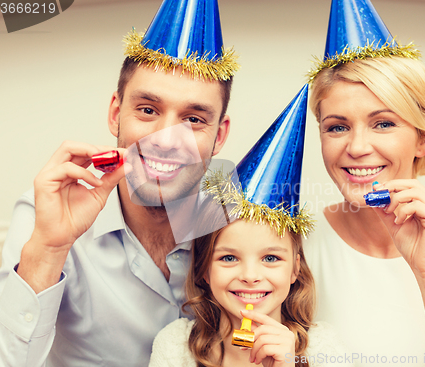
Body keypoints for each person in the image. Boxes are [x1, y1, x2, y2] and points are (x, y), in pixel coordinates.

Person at [0, 0, 239, 366]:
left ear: (218, 136)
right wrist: (48, 250)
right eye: (147, 110)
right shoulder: (48, 214)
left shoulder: (239, 224)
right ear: (115, 114)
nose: (167, 138)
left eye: (192, 119)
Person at [305, 0, 425, 366]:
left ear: (423, 140)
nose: (357, 148)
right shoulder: (293, 245)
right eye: (337, 127)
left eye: (384, 123)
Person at [149, 85, 352, 367]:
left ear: (295, 268)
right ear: (204, 269)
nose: (250, 275)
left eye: (270, 258)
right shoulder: (176, 347)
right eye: (229, 257)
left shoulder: (322, 350)